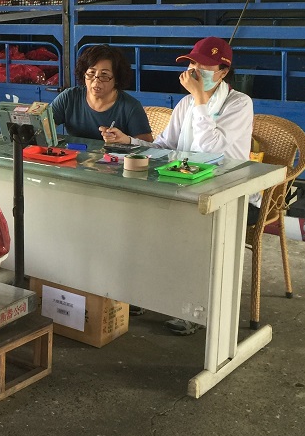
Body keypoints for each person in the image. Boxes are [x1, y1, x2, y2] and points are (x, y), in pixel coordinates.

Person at [102, 36, 254, 335]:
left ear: (222, 71)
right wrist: (128, 141)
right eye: (192, 64)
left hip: (227, 190)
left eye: (203, 65)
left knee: (192, 231)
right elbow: (164, 146)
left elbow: (215, 152)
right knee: (138, 217)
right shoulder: (186, 104)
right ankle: (146, 293)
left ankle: (196, 308)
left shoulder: (239, 104)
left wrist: (200, 100)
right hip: (184, 181)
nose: (195, 70)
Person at [49, 44, 153, 141]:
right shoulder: (69, 98)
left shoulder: (131, 107)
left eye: (104, 75)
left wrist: (125, 140)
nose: (96, 81)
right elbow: (43, 130)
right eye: (91, 73)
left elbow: (149, 149)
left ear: (116, 78)